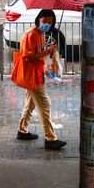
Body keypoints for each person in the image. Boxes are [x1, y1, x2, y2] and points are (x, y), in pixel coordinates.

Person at [15, 9, 67, 150]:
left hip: (36, 74)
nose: (47, 24)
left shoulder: (41, 34)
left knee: (30, 104)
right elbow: (27, 56)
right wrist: (46, 51)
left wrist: (49, 49)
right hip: (31, 76)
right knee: (45, 104)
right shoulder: (30, 35)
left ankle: (22, 130)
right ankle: (50, 139)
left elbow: (39, 53)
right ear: (38, 19)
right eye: (45, 21)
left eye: (50, 22)